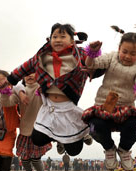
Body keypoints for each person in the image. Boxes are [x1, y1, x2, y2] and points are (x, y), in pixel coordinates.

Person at [7, 23, 97, 157]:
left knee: (73, 151)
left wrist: (92, 53)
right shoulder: (42, 56)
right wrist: (9, 80)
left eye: (62, 36)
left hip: (68, 107)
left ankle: (76, 137)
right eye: (55, 37)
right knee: (37, 139)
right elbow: (24, 68)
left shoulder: (79, 54)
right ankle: (58, 138)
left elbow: (92, 65)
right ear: (50, 39)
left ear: (72, 40)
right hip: (49, 107)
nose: (58, 40)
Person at [82, 25, 136, 171]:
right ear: (119, 48)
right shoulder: (111, 57)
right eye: (124, 52)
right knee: (95, 127)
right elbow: (92, 64)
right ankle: (109, 148)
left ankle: (124, 150)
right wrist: (92, 53)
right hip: (104, 106)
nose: (127, 56)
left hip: (125, 108)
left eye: (132, 53)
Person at [0, 73, 51, 171]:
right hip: (25, 129)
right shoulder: (21, 90)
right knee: (24, 158)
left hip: (39, 129)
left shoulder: (42, 88)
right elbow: (5, 102)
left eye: (33, 73)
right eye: (27, 74)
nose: (30, 76)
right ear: (23, 77)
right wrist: (4, 90)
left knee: (36, 158)